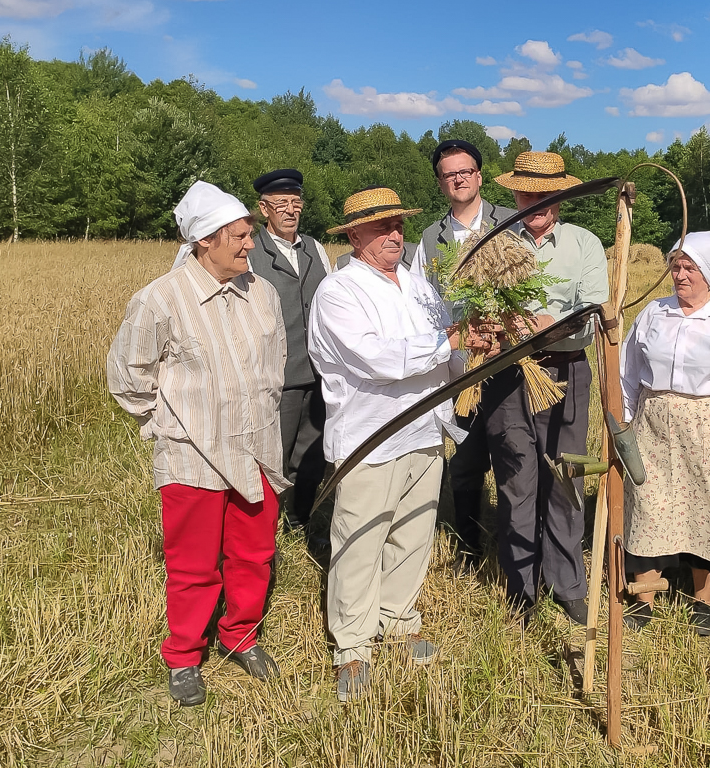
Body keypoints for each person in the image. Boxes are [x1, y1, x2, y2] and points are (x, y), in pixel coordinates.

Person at [107, 181, 288, 707]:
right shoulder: (159, 300)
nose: (250, 244)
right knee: (193, 564)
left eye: (250, 233)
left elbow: (274, 363)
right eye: (239, 235)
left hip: (257, 448)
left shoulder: (262, 292)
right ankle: (185, 656)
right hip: (192, 455)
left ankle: (241, 635)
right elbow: (128, 379)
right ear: (205, 240)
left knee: (254, 553)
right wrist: (173, 423)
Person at [308, 186, 479, 701]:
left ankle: (399, 619)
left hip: (425, 428)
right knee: (361, 538)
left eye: (399, 225)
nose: (394, 235)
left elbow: (448, 355)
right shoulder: (339, 293)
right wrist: (447, 343)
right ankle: (353, 646)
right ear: (355, 235)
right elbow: (378, 360)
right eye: (382, 227)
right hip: (370, 436)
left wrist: (473, 348)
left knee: (413, 531)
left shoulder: (419, 286)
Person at [619, 232, 710, 636]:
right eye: (676, 266)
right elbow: (627, 372)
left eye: (690, 268)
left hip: (709, 426)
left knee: (707, 506)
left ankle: (703, 601)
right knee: (648, 501)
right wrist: (624, 422)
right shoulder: (653, 313)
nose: (680, 275)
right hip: (653, 424)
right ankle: (644, 597)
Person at [484, 150, 609, 625]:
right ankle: (523, 588)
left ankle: (568, 583)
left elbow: (594, 312)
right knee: (517, 483)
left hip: (565, 371)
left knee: (564, 478)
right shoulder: (493, 243)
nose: (536, 201)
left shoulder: (585, 244)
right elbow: (471, 305)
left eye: (546, 193)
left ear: (562, 194)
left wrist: (549, 325)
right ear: (514, 193)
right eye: (527, 191)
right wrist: (496, 324)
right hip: (506, 377)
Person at [418, 139, 517, 571]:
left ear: (479, 175)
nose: (458, 179)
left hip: (512, 363)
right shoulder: (430, 238)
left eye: (465, 171)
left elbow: (531, 288)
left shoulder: (511, 223)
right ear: (441, 183)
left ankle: (515, 553)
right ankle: (468, 547)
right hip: (461, 371)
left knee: (515, 462)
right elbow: (425, 301)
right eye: (448, 174)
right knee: (465, 464)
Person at [246, 168, 330, 531]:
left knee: (311, 454)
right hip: (276, 375)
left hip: (319, 374)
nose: (290, 211)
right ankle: (266, 527)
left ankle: (300, 519)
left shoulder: (316, 248)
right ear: (264, 209)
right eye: (281, 204)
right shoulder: (251, 252)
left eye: (296, 203)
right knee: (274, 455)